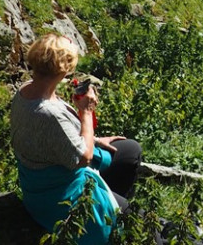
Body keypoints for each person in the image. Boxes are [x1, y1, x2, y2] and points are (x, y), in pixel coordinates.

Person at [10, 34, 142, 244]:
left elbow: (55, 135)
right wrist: (87, 112)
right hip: (57, 194)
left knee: (129, 151)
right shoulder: (49, 112)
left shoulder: (25, 90)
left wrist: (96, 139)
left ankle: (114, 197)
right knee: (136, 220)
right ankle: (111, 213)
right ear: (65, 69)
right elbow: (84, 157)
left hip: (41, 178)